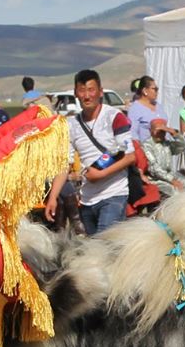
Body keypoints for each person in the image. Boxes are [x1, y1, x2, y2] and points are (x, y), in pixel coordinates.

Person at [50, 69, 133, 236]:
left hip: (114, 194)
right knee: (94, 251)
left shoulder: (114, 117)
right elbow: (64, 165)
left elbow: (130, 156)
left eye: (91, 90)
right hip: (87, 199)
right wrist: (53, 197)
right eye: (82, 90)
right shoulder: (71, 125)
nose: (87, 96)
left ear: (100, 92)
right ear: (75, 94)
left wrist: (100, 175)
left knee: (103, 248)